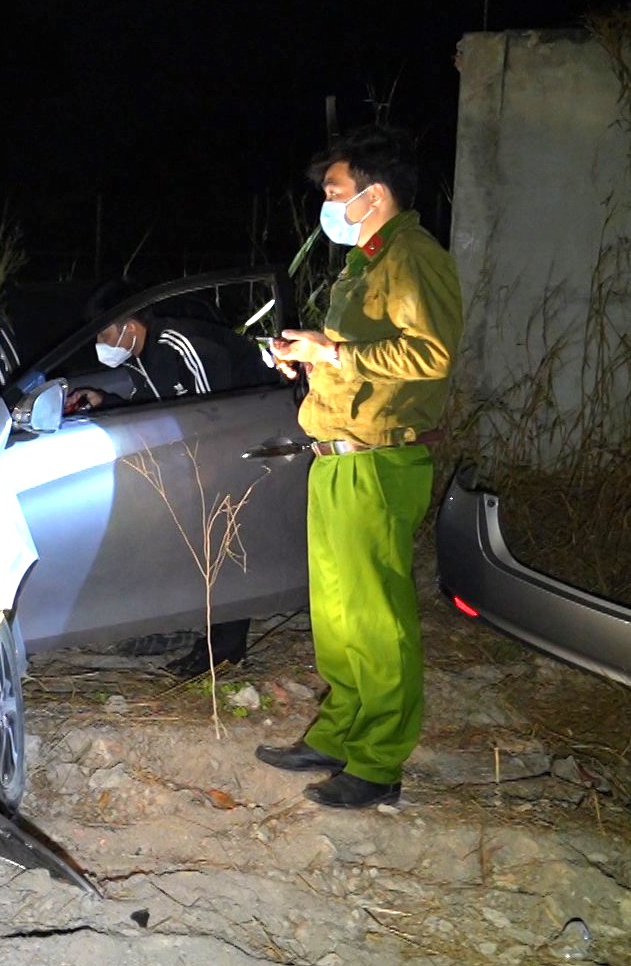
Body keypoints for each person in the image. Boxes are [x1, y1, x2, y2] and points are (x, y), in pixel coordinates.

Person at [257, 125, 463, 809]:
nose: (327, 202)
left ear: (373, 196)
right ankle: (340, 731)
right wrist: (308, 356)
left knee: (376, 621)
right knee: (339, 616)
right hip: (336, 455)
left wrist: (336, 356)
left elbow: (428, 354)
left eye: (334, 190)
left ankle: (378, 764)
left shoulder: (412, 256)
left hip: (379, 459)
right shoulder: (367, 262)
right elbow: (356, 351)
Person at [63, 303, 272, 678]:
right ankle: (197, 630)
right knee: (196, 546)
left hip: (240, 448)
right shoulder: (143, 357)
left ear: (129, 326)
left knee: (221, 547)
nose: (101, 343)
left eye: (104, 333)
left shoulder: (180, 344)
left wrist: (208, 472)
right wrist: (104, 400)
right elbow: (158, 404)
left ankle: (223, 648)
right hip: (203, 456)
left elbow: (219, 413)